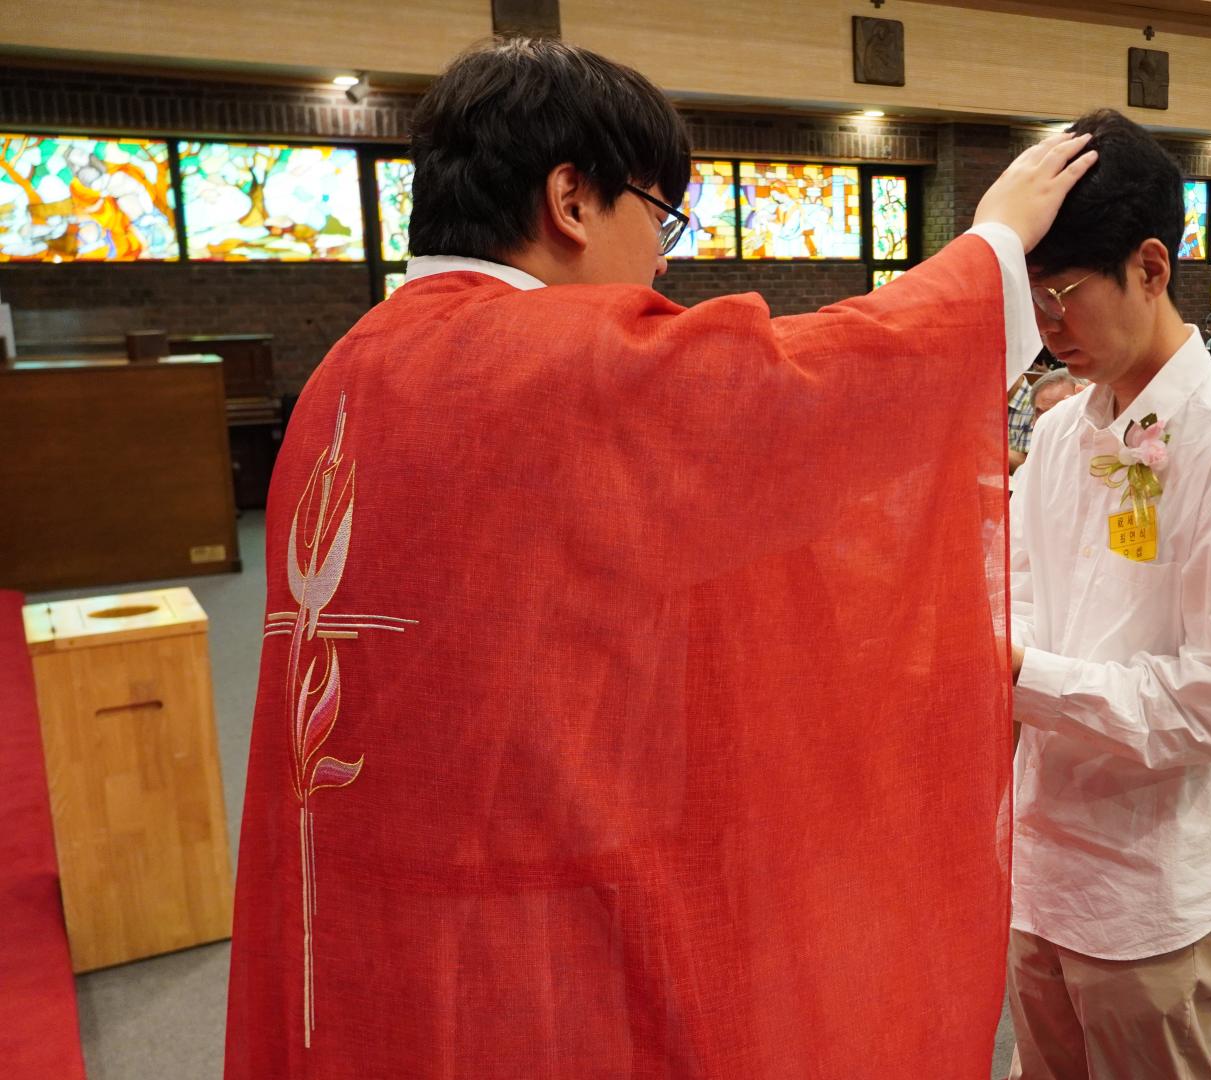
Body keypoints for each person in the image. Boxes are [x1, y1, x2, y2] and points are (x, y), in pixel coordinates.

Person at [222, 38, 1099, 1080]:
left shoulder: (347, 368)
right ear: (571, 200)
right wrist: (992, 249)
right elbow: (808, 397)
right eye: (660, 215)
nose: (664, 259)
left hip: (363, 909)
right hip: (530, 933)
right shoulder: (553, 360)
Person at [1006, 107, 1211, 1080]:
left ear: (1151, 268)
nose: (1046, 327)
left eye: (1061, 295)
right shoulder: (1062, 431)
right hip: (1039, 850)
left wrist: (1018, 672)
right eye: (1030, 300)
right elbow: (1018, 587)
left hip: (1150, 876)